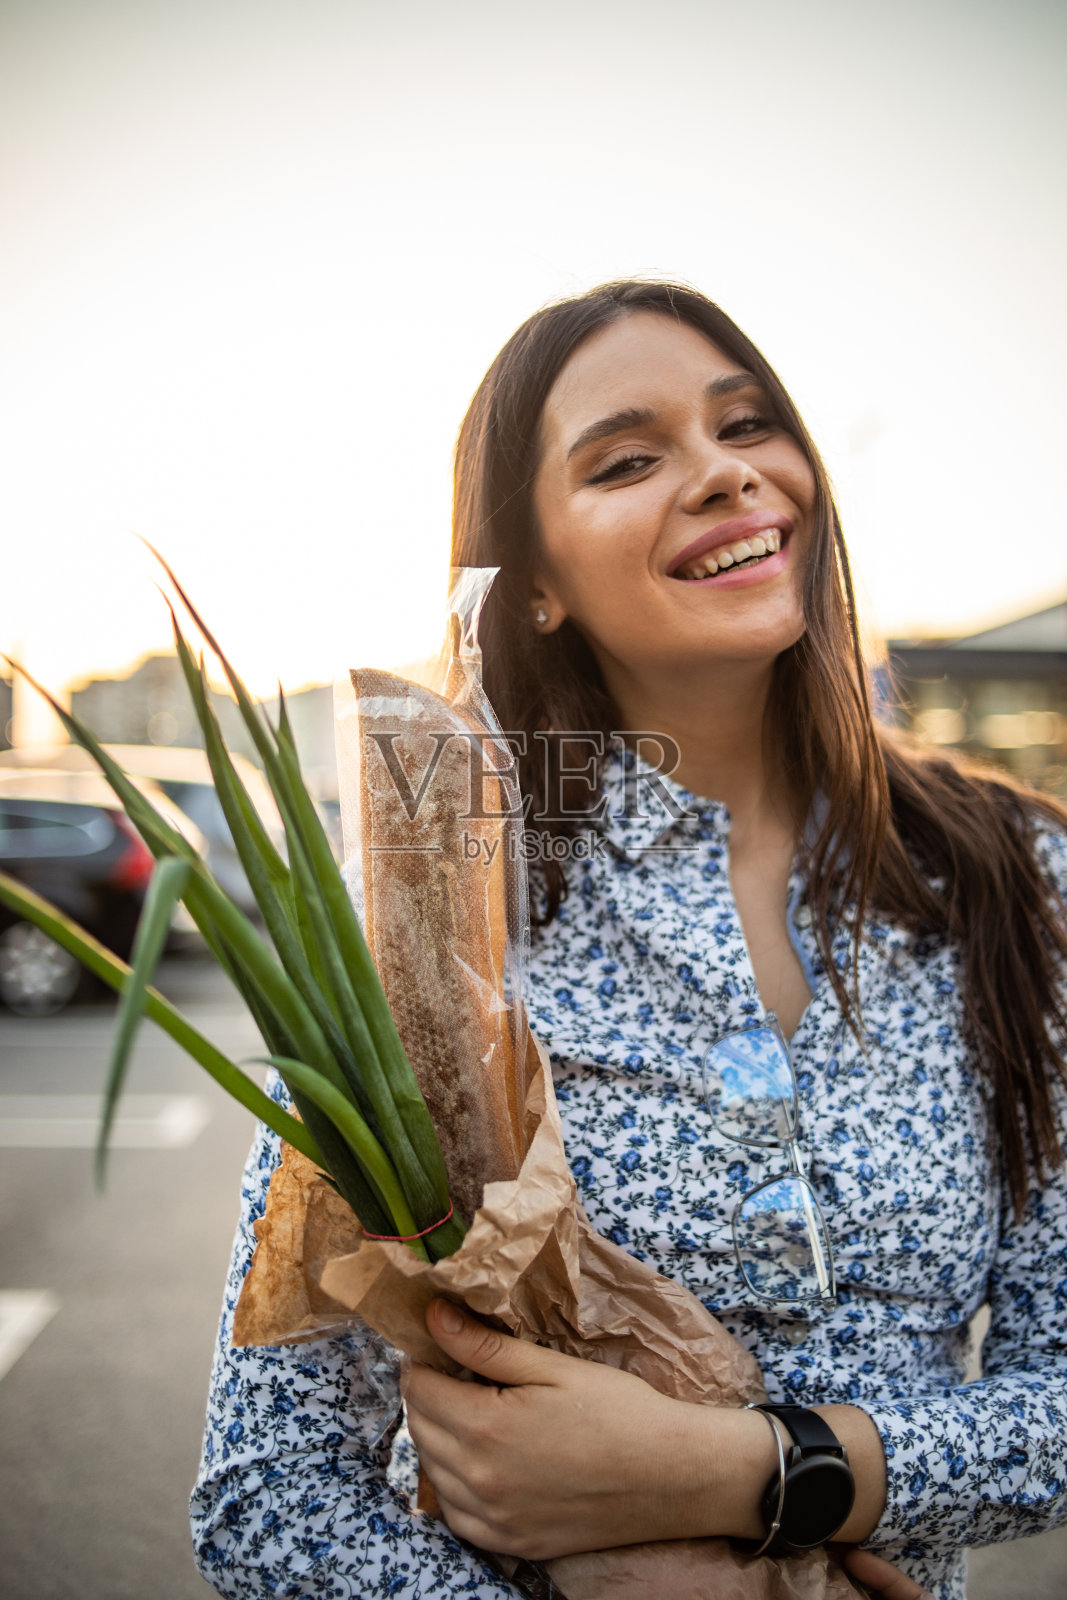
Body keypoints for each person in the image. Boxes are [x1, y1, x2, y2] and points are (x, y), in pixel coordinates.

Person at [191, 281, 1067, 1600]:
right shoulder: (442, 922)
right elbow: (267, 1491)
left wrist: (750, 1474)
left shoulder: (1018, 871)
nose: (724, 474)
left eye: (747, 423)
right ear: (533, 582)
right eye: (629, 459)